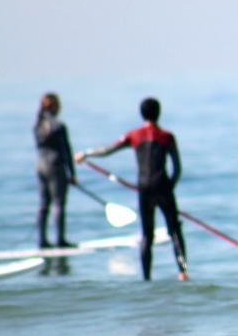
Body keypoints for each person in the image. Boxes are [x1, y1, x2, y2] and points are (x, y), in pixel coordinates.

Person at [75, 98, 189, 282]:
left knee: (146, 235)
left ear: (142, 114)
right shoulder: (167, 136)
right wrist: (171, 187)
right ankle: (183, 272)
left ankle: (146, 278)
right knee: (174, 230)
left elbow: (106, 150)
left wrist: (85, 154)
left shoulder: (134, 135)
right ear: (158, 113)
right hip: (163, 187)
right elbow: (177, 168)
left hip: (144, 187)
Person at [34, 92, 76, 248]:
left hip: (40, 166)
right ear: (55, 106)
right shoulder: (58, 126)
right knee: (59, 204)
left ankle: (42, 241)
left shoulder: (37, 125)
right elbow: (66, 150)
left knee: (44, 204)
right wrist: (72, 173)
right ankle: (60, 240)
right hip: (55, 166)